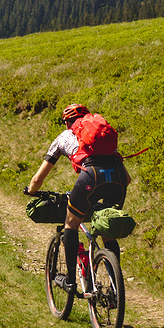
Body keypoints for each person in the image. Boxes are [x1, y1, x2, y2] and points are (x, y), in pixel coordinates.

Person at [24, 103, 130, 294]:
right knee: (107, 229)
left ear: (67, 122)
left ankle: (71, 281)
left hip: (91, 177)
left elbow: (38, 178)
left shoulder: (64, 137)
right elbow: (127, 177)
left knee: (71, 224)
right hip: (118, 178)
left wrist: (31, 191)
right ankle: (116, 288)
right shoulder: (101, 139)